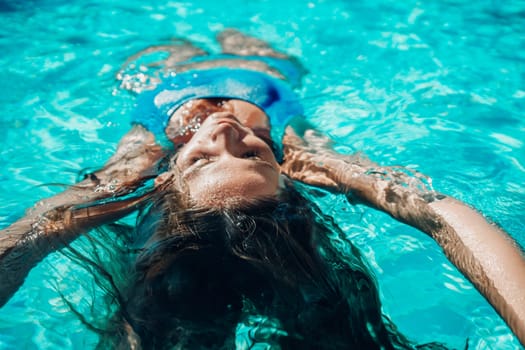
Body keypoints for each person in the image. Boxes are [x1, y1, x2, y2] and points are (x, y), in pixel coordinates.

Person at [0, 29, 524, 349]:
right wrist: (347, 173)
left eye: (203, 158)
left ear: (169, 174)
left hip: (163, 78)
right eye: (252, 155)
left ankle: (191, 53)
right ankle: (237, 46)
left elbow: (27, 236)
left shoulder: (143, 155)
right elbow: (442, 217)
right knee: (247, 45)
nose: (226, 132)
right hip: (265, 72)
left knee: (169, 50)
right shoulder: (294, 143)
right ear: (285, 171)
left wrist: (93, 197)